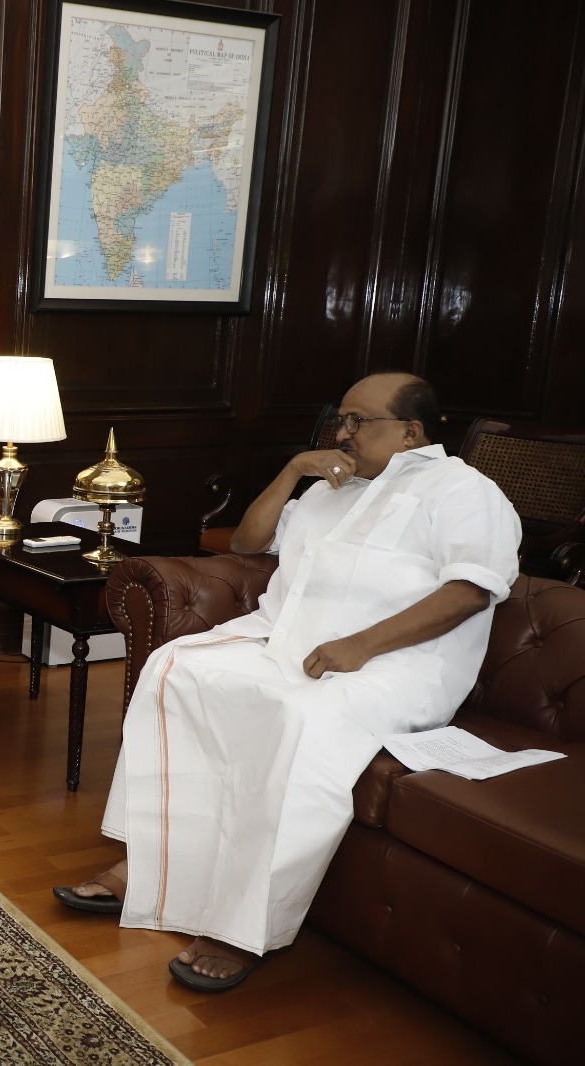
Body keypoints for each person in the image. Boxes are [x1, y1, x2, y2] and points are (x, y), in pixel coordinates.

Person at [54, 373, 521, 991]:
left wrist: (360, 645)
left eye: (361, 421)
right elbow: (249, 541)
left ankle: (246, 928)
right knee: (178, 670)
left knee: (302, 721)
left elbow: (470, 590)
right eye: (341, 420)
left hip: (395, 665)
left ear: (411, 432)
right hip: (286, 640)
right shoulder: (332, 483)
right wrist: (297, 467)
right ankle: (151, 858)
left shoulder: (464, 491)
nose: (344, 433)